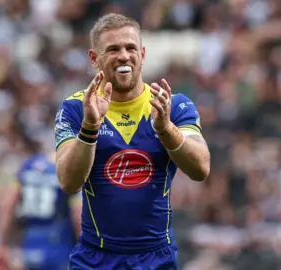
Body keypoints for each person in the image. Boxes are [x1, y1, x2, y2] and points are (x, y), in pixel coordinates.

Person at [54, 13, 210, 269]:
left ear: (143, 53)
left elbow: (200, 168)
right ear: (94, 58)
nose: (124, 56)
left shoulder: (172, 104)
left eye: (131, 48)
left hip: (156, 258)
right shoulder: (76, 108)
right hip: (95, 258)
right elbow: (69, 182)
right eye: (113, 49)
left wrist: (166, 129)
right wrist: (90, 127)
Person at [0, 148, 82, 270]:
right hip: (57, 241)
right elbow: (77, 215)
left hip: (29, 240)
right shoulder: (68, 170)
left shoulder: (28, 166)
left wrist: (1, 244)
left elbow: (6, 206)